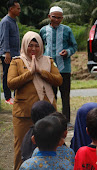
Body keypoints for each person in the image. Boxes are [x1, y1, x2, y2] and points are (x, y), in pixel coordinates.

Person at [7, 31, 63, 170]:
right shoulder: (17, 61)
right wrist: (30, 73)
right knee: (21, 148)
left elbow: (59, 80)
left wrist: (41, 71)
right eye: (30, 45)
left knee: (51, 146)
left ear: (41, 46)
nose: (33, 49)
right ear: (24, 45)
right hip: (24, 114)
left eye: (36, 46)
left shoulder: (48, 60)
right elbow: (11, 83)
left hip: (47, 113)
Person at [40, 6, 77, 125]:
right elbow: (40, 47)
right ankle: (53, 120)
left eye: (59, 18)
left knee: (65, 96)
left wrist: (68, 52)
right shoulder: (43, 30)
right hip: (49, 69)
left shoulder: (67, 30)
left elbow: (74, 46)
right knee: (51, 95)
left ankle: (66, 121)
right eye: (54, 17)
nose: (56, 20)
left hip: (64, 68)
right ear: (49, 17)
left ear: (62, 18)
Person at [0, 0, 21, 104]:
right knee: (7, 74)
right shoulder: (5, 21)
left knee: (17, 75)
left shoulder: (14, 21)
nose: (19, 11)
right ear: (11, 9)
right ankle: (7, 97)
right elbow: (5, 38)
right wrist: (6, 53)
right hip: (7, 54)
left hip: (16, 53)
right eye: (18, 8)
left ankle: (16, 95)